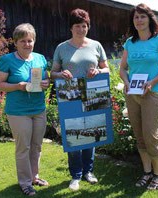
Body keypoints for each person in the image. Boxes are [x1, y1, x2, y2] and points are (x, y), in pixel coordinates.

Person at [51, 8, 109, 191]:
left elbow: (107, 69)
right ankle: (75, 175)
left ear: (88, 27)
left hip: (92, 92)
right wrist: (60, 73)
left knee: (91, 133)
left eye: (84, 26)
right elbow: (52, 73)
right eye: (77, 26)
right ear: (71, 28)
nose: (81, 30)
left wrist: (98, 71)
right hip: (70, 93)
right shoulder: (62, 48)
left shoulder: (96, 45)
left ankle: (88, 171)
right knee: (74, 135)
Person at [120, 4, 158, 190]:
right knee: (139, 135)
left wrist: (152, 82)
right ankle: (146, 172)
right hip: (133, 94)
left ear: (150, 19)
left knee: (150, 135)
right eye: (136, 17)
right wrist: (126, 82)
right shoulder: (130, 42)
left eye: (143, 16)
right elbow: (122, 68)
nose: (139, 20)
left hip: (154, 93)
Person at [0, 23, 50, 196]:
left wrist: (46, 84)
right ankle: (25, 182)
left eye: (30, 40)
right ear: (16, 43)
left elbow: (46, 81)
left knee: (36, 146)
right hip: (18, 111)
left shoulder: (40, 58)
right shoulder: (7, 60)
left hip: (39, 108)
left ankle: (35, 176)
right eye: (23, 41)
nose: (27, 44)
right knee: (23, 147)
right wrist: (18, 86)